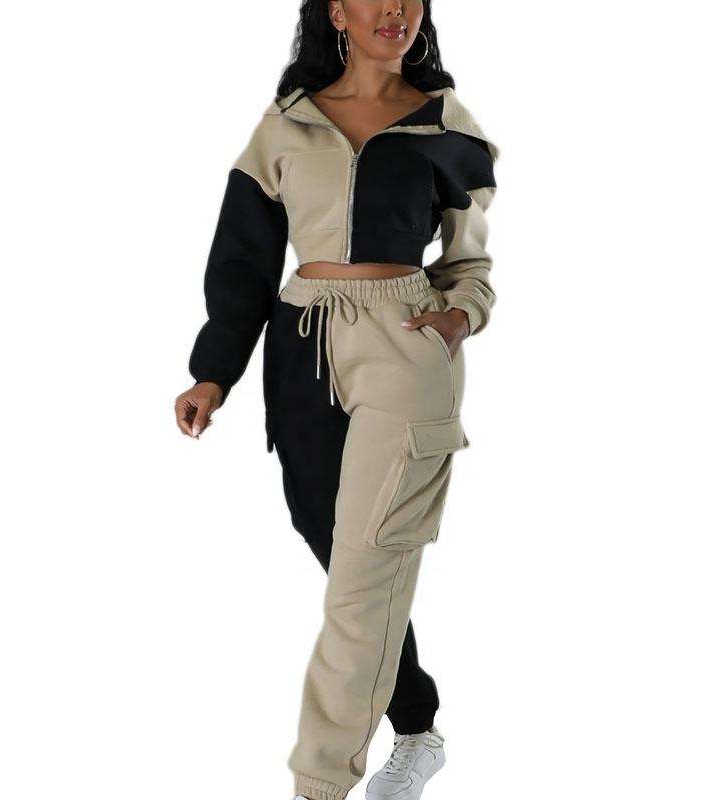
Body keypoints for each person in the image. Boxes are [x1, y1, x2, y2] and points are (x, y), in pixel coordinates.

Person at [174, 2, 500, 798]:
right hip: (301, 344)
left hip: (405, 345)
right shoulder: (286, 124)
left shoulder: (446, 124)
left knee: (364, 570)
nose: (395, 9)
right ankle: (418, 727)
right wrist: (215, 371)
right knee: (340, 550)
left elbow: (471, 263)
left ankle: (317, 784)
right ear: (336, 13)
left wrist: (458, 317)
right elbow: (244, 260)